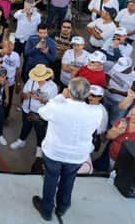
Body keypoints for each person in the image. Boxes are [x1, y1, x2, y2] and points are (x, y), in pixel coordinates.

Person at [31, 78, 104, 221]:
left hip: (54, 153)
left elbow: (42, 112)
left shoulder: (58, 106)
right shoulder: (97, 111)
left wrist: (60, 97)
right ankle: (63, 207)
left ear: (69, 91)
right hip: (77, 155)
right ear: (87, 94)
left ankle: (47, 210)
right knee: (69, 179)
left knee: (51, 179)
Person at [10, 64, 58, 158]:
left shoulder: (52, 87)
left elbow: (53, 104)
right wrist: (26, 95)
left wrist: (42, 100)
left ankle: (39, 147)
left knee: (40, 131)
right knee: (25, 126)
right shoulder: (30, 81)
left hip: (41, 114)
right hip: (27, 110)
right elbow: (23, 95)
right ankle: (21, 140)